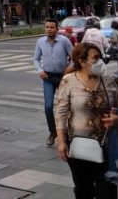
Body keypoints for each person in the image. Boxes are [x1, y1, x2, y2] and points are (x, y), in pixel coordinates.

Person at [54, 43, 118, 199]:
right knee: (83, 190)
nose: (100, 62)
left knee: (108, 192)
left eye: (101, 58)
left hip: (107, 147)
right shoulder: (68, 80)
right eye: (96, 58)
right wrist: (61, 142)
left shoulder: (108, 81)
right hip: (78, 146)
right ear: (82, 61)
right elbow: (61, 113)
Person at [33, 18, 73, 146]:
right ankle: (53, 132)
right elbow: (36, 59)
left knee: (66, 106)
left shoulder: (64, 41)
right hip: (48, 77)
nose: (49, 29)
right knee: (48, 106)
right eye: (47, 27)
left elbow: (74, 57)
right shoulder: (40, 42)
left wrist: (68, 69)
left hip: (63, 77)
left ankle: (67, 131)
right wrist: (39, 70)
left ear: (57, 29)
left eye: (52, 27)